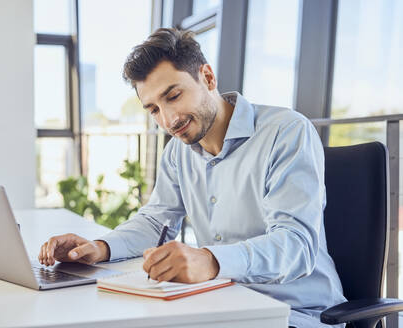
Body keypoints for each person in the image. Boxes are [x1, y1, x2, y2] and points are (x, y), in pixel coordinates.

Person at [38, 28, 346, 328]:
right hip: (222, 303)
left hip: (296, 313)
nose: (169, 120)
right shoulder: (178, 152)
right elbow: (155, 222)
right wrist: (99, 247)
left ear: (208, 78)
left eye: (173, 96)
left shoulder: (286, 132)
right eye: (154, 109)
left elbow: (295, 245)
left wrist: (211, 261)